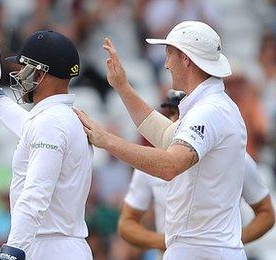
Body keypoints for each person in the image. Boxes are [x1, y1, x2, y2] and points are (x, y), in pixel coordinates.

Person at [74, 21, 248, 259]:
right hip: (203, 249)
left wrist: (107, 141)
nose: (166, 64)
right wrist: (122, 86)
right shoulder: (210, 106)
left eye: (169, 55)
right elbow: (167, 137)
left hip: (201, 251)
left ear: (186, 59)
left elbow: (169, 165)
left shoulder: (210, 111)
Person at [0, 30, 93, 259]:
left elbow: (36, 194)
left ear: (40, 73)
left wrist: (12, 250)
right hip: (56, 245)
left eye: (24, 67)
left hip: (48, 247)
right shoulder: (60, 118)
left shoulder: (51, 122)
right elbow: (27, 127)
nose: (20, 74)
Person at [118, 91, 275, 255]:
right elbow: (127, 223)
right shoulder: (152, 161)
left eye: (183, 114)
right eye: (172, 113)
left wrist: (223, 243)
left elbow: (266, 213)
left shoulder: (236, 156)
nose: (175, 120)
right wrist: (169, 241)